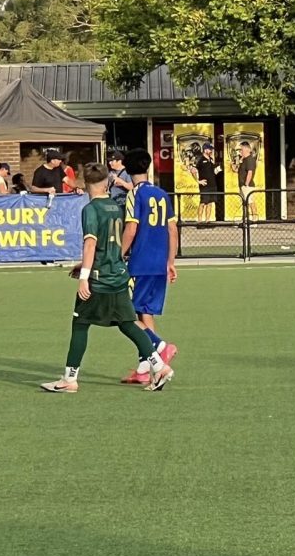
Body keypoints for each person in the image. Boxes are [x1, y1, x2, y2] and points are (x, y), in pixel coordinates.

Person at [40, 162, 174, 394]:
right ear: (107, 183)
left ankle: (70, 379)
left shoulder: (90, 209)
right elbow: (113, 243)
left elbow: (91, 244)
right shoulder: (116, 207)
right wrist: (87, 263)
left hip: (99, 279)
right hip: (119, 275)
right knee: (128, 323)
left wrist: (84, 276)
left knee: (80, 324)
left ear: (86, 184)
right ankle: (159, 367)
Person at [119, 148, 180, 385]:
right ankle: (145, 367)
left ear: (127, 169)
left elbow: (131, 228)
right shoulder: (162, 194)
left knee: (125, 314)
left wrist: (117, 255)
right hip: (159, 263)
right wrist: (171, 262)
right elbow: (172, 229)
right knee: (145, 312)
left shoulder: (135, 194)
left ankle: (160, 347)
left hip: (141, 263)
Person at [191, 143, 222, 225]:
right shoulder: (199, 159)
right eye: (210, 149)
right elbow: (193, 170)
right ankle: (199, 221)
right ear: (205, 150)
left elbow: (213, 171)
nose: (211, 151)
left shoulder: (211, 159)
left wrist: (220, 168)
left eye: (211, 149)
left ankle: (207, 221)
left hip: (213, 184)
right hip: (205, 185)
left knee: (210, 203)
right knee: (203, 203)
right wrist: (198, 181)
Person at [234, 141, 258, 213]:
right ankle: (245, 218)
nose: (240, 151)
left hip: (248, 186)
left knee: (251, 202)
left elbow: (250, 172)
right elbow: (237, 170)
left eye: (241, 149)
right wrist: (238, 162)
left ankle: (255, 218)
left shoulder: (250, 159)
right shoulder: (244, 160)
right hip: (242, 185)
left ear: (247, 149)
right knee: (244, 203)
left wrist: (246, 184)